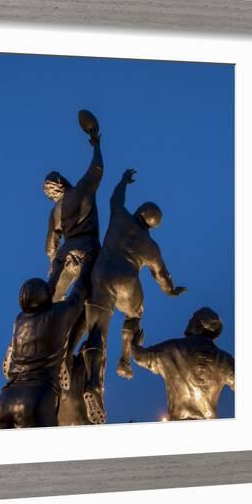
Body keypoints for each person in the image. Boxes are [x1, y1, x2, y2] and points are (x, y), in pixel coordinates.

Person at [83, 169, 187, 424]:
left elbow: (114, 199)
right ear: (153, 225)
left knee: (97, 330)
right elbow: (162, 275)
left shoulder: (120, 217)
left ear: (140, 211)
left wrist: (123, 182)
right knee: (135, 313)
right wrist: (171, 291)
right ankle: (125, 359)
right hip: (128, 282)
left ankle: (92, 379)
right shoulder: (151, 247)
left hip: (104, 272)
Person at [0, 256, 92, 429]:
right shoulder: (59, 314)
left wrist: (58, 267)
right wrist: (84, 267)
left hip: (4, 399)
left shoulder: (19, 320)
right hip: (36, 397)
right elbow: (78, 294)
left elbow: (48, 292)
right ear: (45, 297)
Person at [130, 307, 235, 420]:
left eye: (192, 318)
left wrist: (134, 344)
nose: (189, 321)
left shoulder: (170, 349)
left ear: (199, 325)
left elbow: (140, 357)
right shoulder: (225, 360)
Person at [43, 111, 103, 303]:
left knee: (51, 300)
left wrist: (53, 264)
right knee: (89, 299)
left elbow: (50, 247)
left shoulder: (55, 212)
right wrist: (96, 146)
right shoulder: (81, 190)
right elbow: (96, 170)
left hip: (63, 256)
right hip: (88, 251)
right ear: (62, 182)